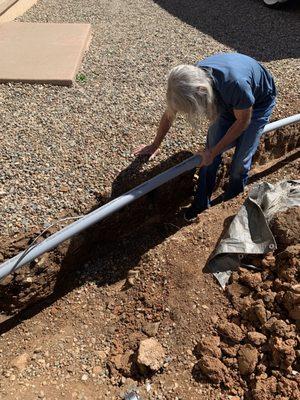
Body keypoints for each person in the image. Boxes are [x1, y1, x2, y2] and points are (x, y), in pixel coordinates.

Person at [134, 53, 276, 221]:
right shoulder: (188, 80)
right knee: (207, 158)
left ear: (201, 92)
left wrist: (213, 152)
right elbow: (169, 115)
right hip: (229, 99)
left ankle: (231, 200)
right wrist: (155, 145)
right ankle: (201, 203)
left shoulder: (234, 84)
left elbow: (243, 122)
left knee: (239, 162)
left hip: (258, 104)